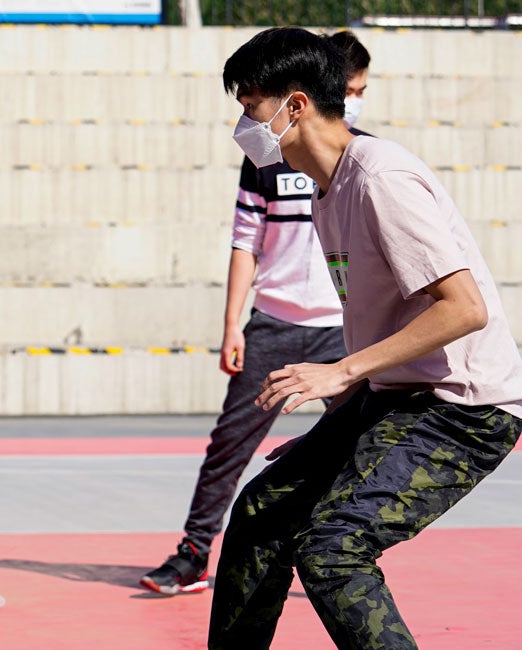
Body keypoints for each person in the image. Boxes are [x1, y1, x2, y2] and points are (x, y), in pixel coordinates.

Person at [209, 27, 522, 649]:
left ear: (295, 105)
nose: (243, 125)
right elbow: (386, 322)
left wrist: (342, 371)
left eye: (250, 107)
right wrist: (335, 426)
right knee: (259, 514)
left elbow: (464, 309)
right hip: (395, 398)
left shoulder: (381, 178)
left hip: (463, 411)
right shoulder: (328, 191)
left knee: (333, 549)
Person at [140, 30, 373, 596]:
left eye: (359, 91)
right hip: (273, 323)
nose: (352, 99)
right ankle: (194, 552)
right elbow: (245, 240)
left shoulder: (367, 159)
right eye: (348, 88)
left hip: (342, 331)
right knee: (230, 445)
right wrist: (232, 326)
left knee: (355, 449)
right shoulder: (267, 157)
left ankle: (331, 555)